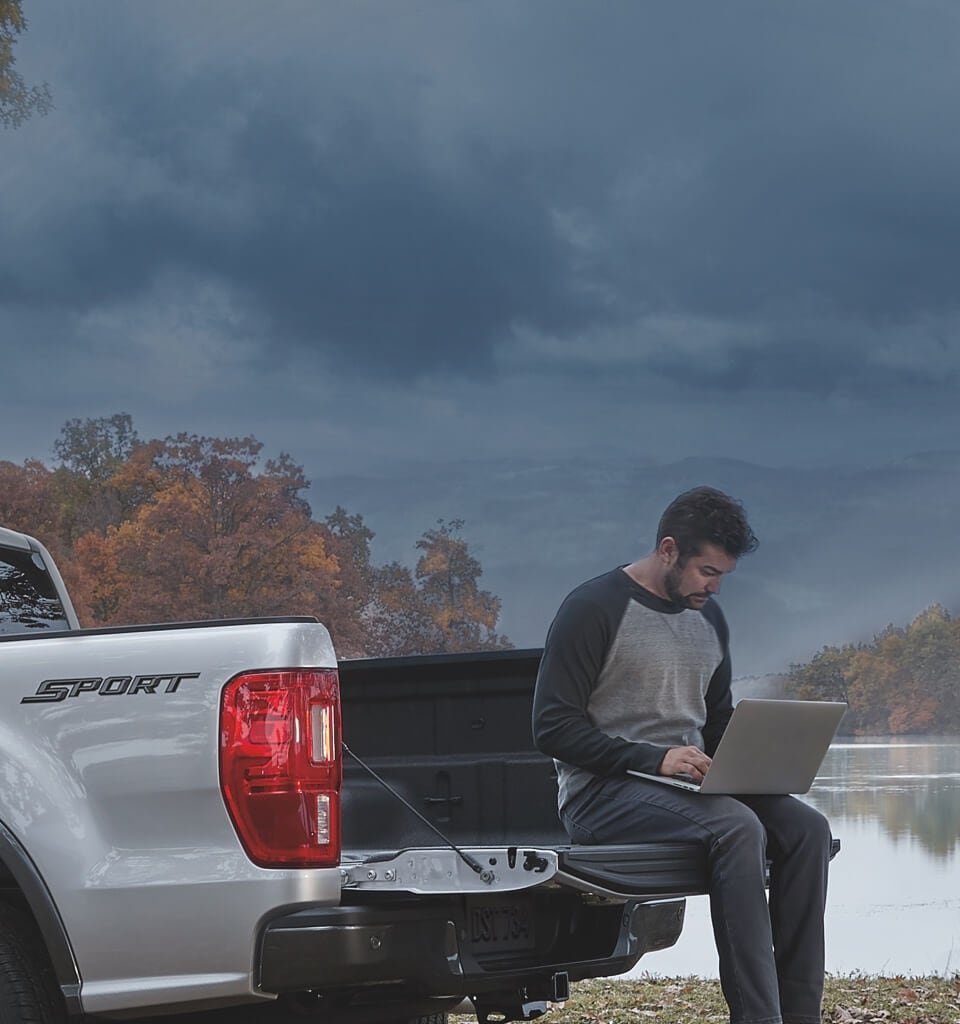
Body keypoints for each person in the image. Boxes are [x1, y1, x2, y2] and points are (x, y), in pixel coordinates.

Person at [532, 485, 832, 1024]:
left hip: (687, 790)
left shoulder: (709, 621)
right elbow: (552, 728)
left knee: (806, 830)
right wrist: (655, 759)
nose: (714, 587)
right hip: (602, 795)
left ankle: (800, 1014)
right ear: (668, 550)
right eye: (707, 572)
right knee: (737, 828)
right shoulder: (593, 608)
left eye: (722, 576)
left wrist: (758, 762)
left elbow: (714, 728)